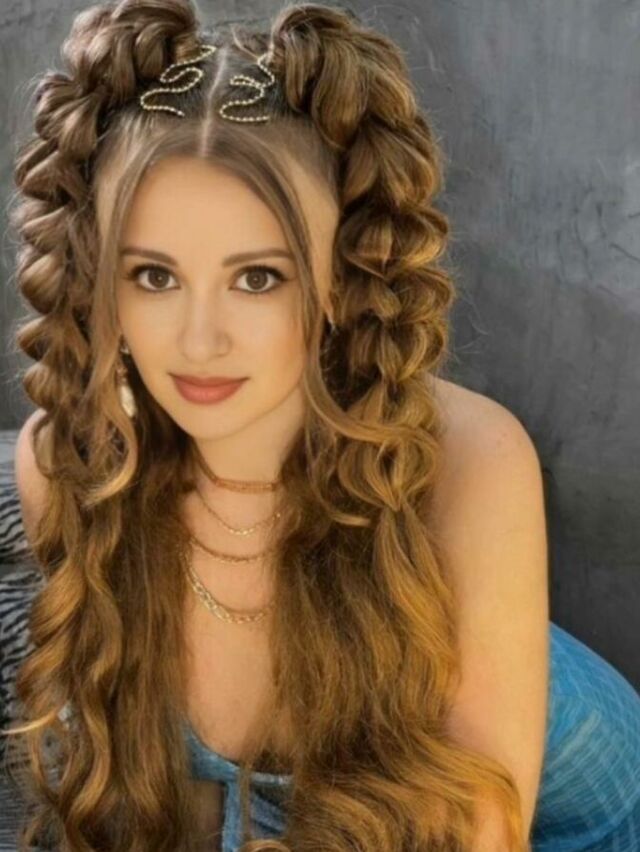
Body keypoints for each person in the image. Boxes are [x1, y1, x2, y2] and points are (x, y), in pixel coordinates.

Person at [1, 1, 638, 850]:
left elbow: (486, 831)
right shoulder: (67, 470)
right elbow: (169, 796)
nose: (199, 339)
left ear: (341, 277)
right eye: (153, 276)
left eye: (258, 278)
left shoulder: (469, 457)